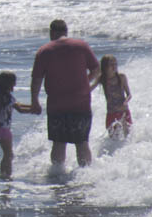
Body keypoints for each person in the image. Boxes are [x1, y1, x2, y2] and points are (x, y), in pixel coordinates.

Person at [30, 19, 101, 167]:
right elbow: (96, 69)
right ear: (66, 31)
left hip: (57, 105)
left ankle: (57, 174)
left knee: (59, 142)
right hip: (80, 103)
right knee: (82, 142)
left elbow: (37, 80)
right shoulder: (81, 46)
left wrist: (34, 101)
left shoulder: (44, 51)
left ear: (52, 32)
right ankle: (86, 173)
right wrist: (84, 82)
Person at [0, 71, 36, 180]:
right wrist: (34, 110)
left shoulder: (0, 96)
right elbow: (20, 109)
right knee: (9, 154)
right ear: (9, 83)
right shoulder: (8, 97)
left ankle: (3, 174)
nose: (15, 84)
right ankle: (7, 176)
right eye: (14, 82)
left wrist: (32, 106)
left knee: (6, 154)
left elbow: (18, 105)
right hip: (4, 130)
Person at [93, 55, 133, 139]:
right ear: (105, 67)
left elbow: (129, 95)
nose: (114, 66)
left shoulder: (121, 77)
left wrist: (125, 102)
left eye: (115, 64)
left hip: (124, 112)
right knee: (113, 139)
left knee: (127, 138)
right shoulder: (102, 79)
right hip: (111, 112)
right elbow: (90, 88)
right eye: (111, 64)